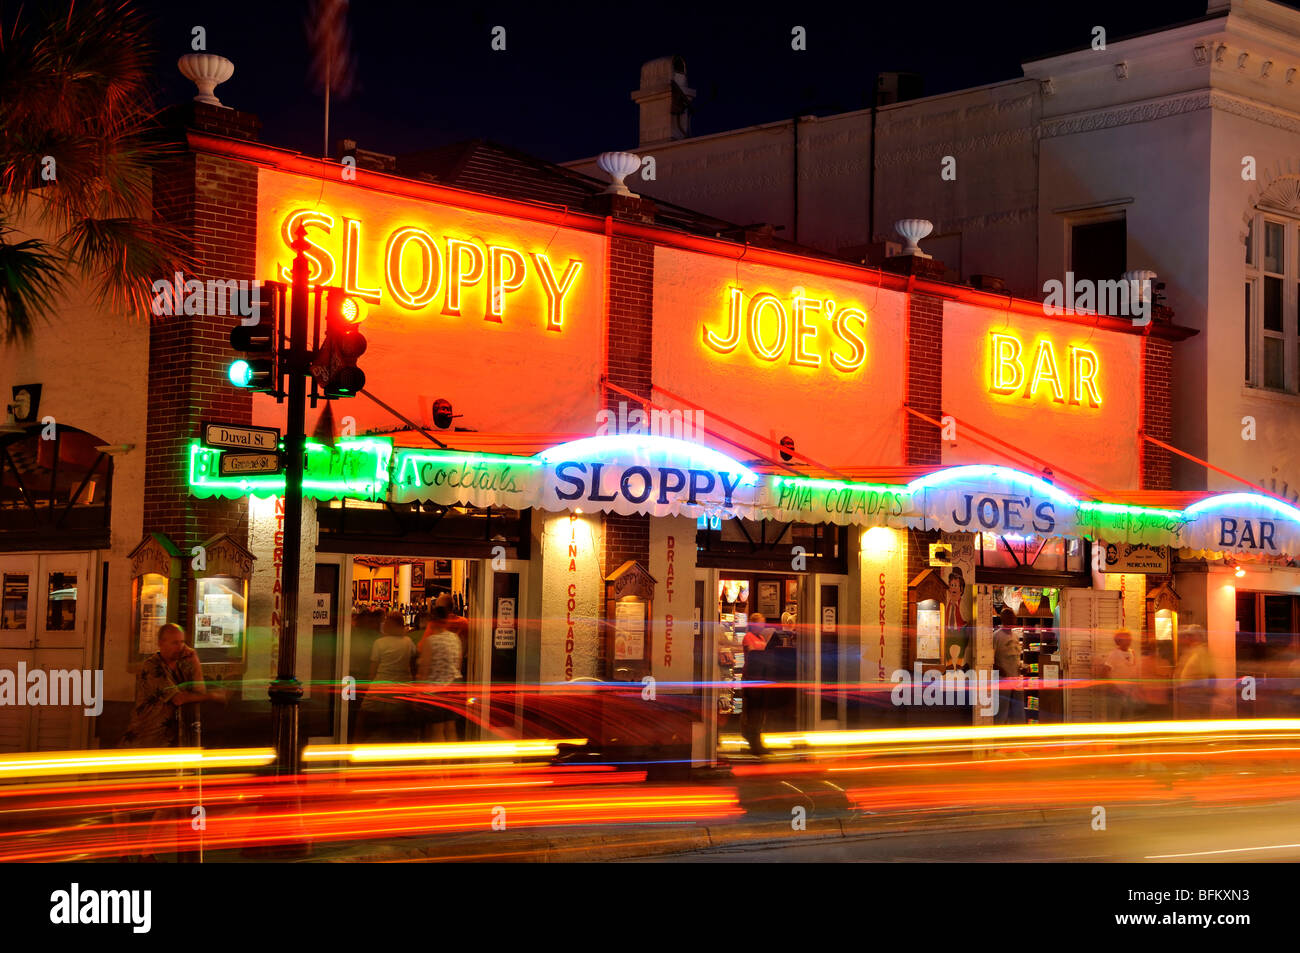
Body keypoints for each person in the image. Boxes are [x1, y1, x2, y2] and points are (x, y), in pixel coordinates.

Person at [118, 623, 229, 861]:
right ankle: (124, 853)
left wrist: (196, 660)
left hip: (166, 741)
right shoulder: (152, 666)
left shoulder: (182, 665)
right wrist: (213, 696)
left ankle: (146, 852)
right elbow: (179, 698)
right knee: (124, 799)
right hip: (143, 739)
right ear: (160, 643)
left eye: (182, 642)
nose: (179, 647)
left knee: (170, 797)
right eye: (174, 642)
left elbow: (196, 690)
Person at [358, 610, 416, 741]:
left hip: (381, 686)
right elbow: (413, 662)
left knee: (363, 716)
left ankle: (356, 743)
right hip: (403, 687)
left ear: (389, 625)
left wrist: (368, 686)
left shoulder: (380, 643)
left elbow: (373, 670)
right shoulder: (408, 642)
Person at [417, 606, 463, 742]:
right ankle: (450, 761)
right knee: (451, 727)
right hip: (454, 686)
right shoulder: (455, 638)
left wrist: (418, 692)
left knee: (436, 730)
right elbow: (458, 664)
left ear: (432, 621)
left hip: (436, 689)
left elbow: (424, 671)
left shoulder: (430, 642)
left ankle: (437, 761)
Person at [740, 613, 773, 755]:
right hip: (751, 677)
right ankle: (752, 739)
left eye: (763, 624)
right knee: (753, 710)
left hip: (762, 677)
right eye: (760, 624)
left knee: (760, 711)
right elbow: (752, 654)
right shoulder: (748, 637)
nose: (762, 626)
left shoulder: (762, 638)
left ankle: (757, 738)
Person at [1174, 625, 1215, 720]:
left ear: (1199, 636)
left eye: (1191, 635)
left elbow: (1210, 674)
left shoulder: (1202, 651)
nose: (1188, 637)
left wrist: (1207, 692)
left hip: (1197, 695)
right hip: (1189, 695)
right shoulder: (1191, 651)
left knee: (1197, 720)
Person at [991, 607, 1024, 724]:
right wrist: (999, 670)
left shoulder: (1015, 636)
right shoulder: (996, 636)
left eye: (1013, 617)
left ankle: (1016, 737)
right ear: (1003, 619)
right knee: (1002, 712)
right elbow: (990, 659)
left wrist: (1020, 669)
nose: (1013, 619)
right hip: (1003, 681)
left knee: (1018, 712)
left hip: (1016, 679)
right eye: (1010, 617)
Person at [1100, 629, 1138, 721]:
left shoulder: (1132, 652)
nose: (1130, 640)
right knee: (1113, 720)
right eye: (1126, 638)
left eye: (1130, 638)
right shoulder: (1114, 654)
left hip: (1129, 693)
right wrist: (1114, 688)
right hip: (1116, 694)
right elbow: (1104, 673)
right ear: (1119, 641)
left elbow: (1133, 670)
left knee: (1127, 720)